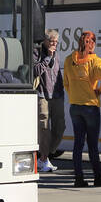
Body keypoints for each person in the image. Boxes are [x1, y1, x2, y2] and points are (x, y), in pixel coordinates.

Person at [63, 29, 101, 187]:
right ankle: (98, 177)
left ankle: (79, 179)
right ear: (92, 44)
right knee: (92, 145)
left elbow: (66, 83)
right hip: (90, 107)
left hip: (75, 107)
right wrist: (100, 90)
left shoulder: (68, 60)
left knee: (78, 145)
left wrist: (74, 95)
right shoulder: (95, 61)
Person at [32, 29, 64, 173]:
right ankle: (44, 159)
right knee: (44, 128)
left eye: (56, 42)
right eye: (52, 41)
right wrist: (47, 58)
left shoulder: (56, 54)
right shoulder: (37, 52)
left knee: (60, 127)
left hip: (57, 95)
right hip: (42, 95)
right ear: (45, 41)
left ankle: (45, 154)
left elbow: (57, 73)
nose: (54, 44)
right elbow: (35, 71)